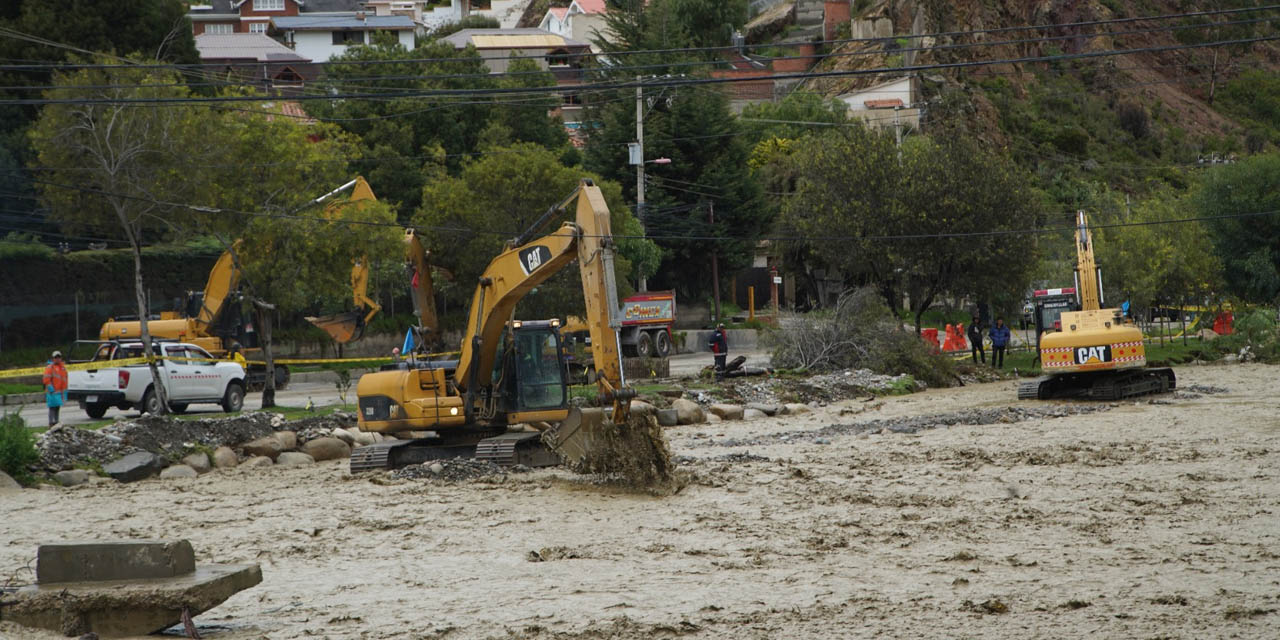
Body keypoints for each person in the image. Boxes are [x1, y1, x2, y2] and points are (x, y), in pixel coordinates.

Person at [43, 350, 68, 427]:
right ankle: (51, 423)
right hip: (52, 392)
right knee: (52, 408)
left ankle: (56, 422)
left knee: (57, 407)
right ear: (53, 358)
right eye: (55, 357)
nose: (57, 359)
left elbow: (64, 379)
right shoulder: (50, 367)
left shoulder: (62, 367)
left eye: (59, 357)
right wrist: (51, 389)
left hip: (60, 392)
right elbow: (46, 380)